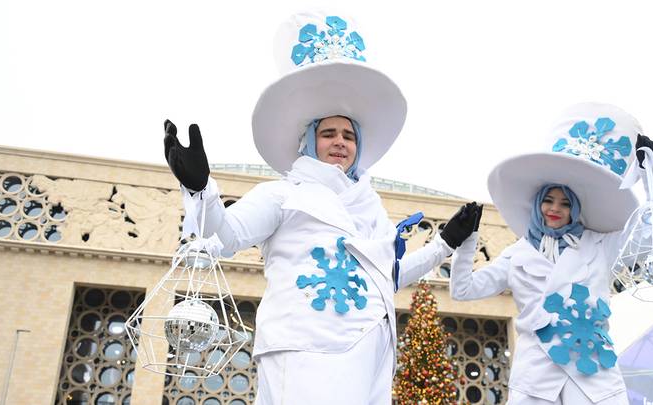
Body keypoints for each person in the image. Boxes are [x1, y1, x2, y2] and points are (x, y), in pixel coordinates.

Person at [163, 12, 480, 405]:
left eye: (348, 135)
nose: (339, 142)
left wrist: (444, 244)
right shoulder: (282, 194)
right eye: (328, 133)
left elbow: (388, 278)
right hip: (302, 347)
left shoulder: (371, 207)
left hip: (365, 349)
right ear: (309, 141)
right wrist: (200, 189)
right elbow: (225, 237)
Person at [449, 103, 653, 405]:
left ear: (575, 209)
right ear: (538, 204)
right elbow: (462, 290)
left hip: (593, 376)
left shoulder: (600, 245)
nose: (555, 209)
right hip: (536, 382)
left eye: (565, 203)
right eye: (549, 200)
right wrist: (465, 241)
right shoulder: (518, 254)